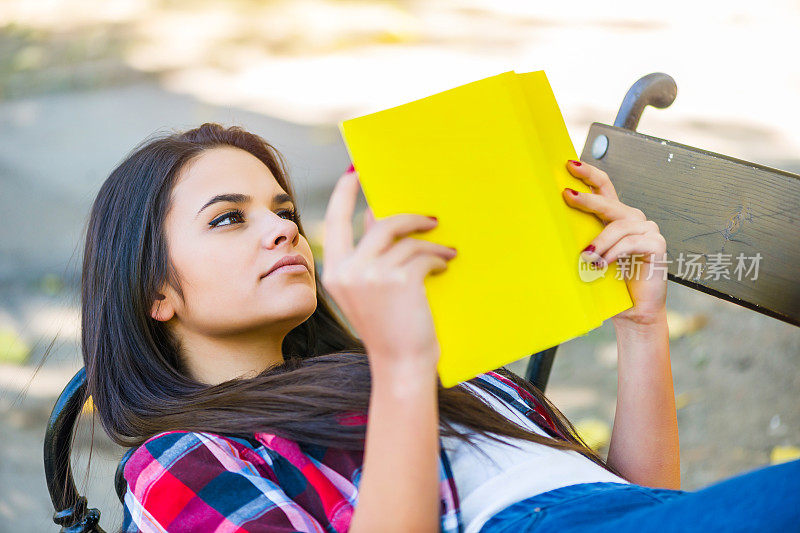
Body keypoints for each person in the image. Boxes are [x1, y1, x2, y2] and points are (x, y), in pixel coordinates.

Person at [80, 123, 798, 533]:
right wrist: (400, 367)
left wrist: (641, 326)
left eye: (284, 210)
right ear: (154, 290)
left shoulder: (444, 369)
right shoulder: (182, 459)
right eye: (230, 217)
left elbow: (645, 501)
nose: (280, 231)